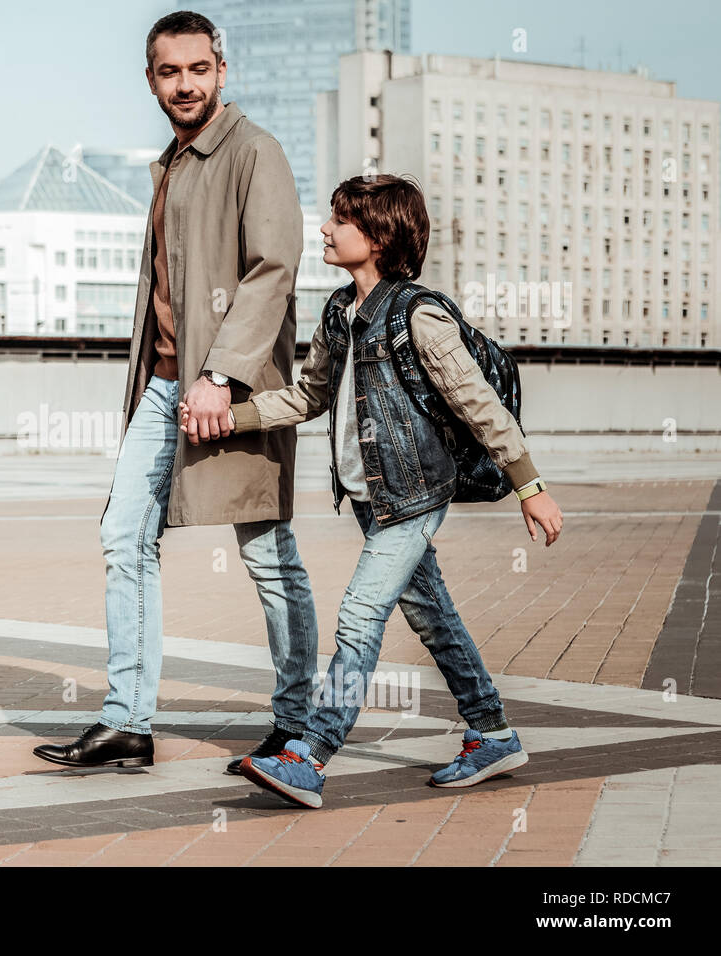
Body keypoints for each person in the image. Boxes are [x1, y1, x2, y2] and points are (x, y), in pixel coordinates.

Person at [181, 173, 564, 807]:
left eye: (341, 220)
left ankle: (311, 753)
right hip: (369, 497)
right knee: (433, 617)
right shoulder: (338, 311)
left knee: (360, 615)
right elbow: (309, 397)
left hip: (414, 498)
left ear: (380, 235)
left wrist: (532, 488)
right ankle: (493, 732)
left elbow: (481, 406)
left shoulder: (420, 315)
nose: (326, 230)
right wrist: (233, 417)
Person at [33, 10, 319, 770]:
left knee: (265, 548)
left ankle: (298, 721)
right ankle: (128, 720)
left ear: (222, 71)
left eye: (199, 69)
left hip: (236, 389)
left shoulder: (256, 151)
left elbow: (274, 269)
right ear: (152, 79)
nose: (185, 84)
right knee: (124, 536)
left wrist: (220, 375)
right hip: (162, 389)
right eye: (170, 71)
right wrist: (180, 380)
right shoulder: (171, 164)